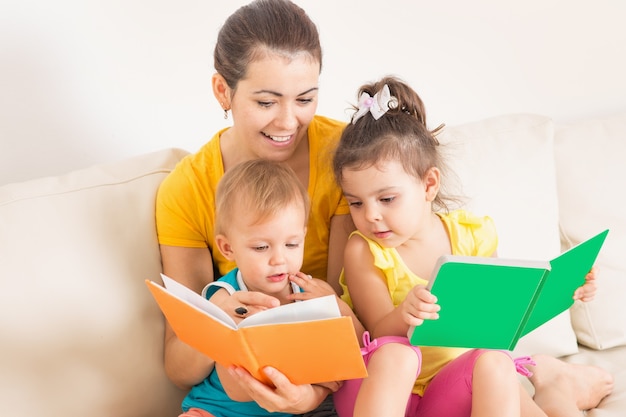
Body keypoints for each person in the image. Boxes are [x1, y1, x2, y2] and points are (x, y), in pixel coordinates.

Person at [330, 76, 614, 417]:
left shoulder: (471, 235)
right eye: (356, 203)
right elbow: (377, 329)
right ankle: (552, 381)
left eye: (387, 199)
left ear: (429, 184)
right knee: (398, 353)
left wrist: (564, 291)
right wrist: (404, 314)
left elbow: (500, 317)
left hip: (448, 391)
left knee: (494, 361)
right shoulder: (363, 250)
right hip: (386, 390)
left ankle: (554, 386)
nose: (371, 216)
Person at [155, 1, 357, 414]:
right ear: (222, 91)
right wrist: (216, 324)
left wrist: (311, 396)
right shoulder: (187, 189)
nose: (287, 122)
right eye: (266, 102)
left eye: (305, 99)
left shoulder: (344, 156)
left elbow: (348, 313)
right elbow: (179, 368)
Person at [179, 159, 333, 416]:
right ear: (228, 248)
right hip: (218, 409)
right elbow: (236, 389)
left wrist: (334, 306)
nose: (279, 259)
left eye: (292, 244)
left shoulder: (308, 293)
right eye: (261, 247)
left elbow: (337, 369)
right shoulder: (225, 296)